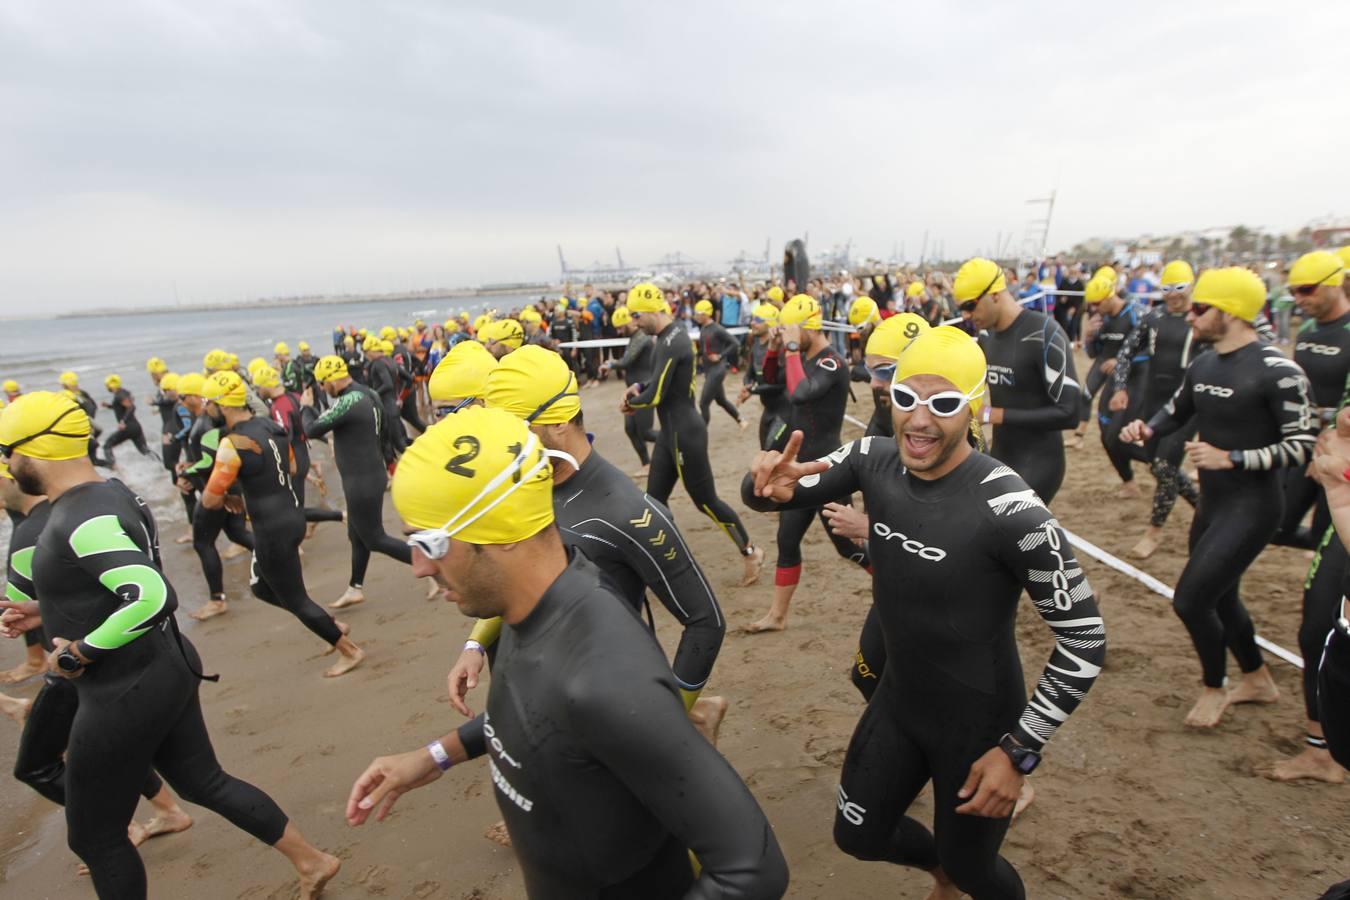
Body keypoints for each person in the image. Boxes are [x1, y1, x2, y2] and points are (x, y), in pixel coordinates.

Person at [345, 405, 788, 899]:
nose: (419, 568)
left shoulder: (606, 679)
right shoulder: (530, 605)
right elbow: (534, 714)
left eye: (429, 542)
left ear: (502, 530)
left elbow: (752, 870)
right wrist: (433, 757)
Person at [743, 327, 1103, 900]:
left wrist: (1019, 751)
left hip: (980, 722)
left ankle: (956, 876)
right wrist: (763, 484)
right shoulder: (871, 457)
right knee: (857, 836)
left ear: (975, 407)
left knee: (974, 870)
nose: (919, 421)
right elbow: (783, 490)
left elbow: (1085, 639)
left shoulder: (1012, 509)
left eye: (943, 404)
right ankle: (943, 875)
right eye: (906, 398)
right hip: (900, 702)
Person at [0, 391, 339, 900]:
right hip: (163, 665)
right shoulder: (111, 492)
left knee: (96, 836)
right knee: (204, 782)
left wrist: (77, 653)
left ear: (39, 450)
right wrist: (45, 608)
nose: (6, 463)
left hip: (121, 689)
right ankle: (312, 861)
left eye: (9, 451)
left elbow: (151, 595)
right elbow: (110, 587)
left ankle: (312, 859)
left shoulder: (77, 518)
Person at [465, 345, 729, 740]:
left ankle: (693, 718)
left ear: (557, 424)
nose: (505, 446)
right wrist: (474, 645)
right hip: (551, 686)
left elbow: (706, 622)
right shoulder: (525, 485)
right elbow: (517, 581)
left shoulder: (627, 510)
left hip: (609, 695)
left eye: (514, 429)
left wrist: (669, 720)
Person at [1121, 267, 1317, 727]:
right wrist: (1147, 427)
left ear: (1229, 312)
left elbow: (1302, 445)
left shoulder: (1279, 372)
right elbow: (1178, 408)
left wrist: (1233, 458)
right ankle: (1258, 678)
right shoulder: (1204, 362)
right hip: (1214, 505)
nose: (1189, 315)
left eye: (1199, 307)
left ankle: (1215, 686)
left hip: (1254, 506)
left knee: (1190, 599)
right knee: (1223, 597)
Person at [1, 460, 197, 858]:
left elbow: (14, 604)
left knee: (40, 765)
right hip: (124, 655)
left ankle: (116, 826)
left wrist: (75, 653)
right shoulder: (94, 501)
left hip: (84, 662)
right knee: (124, 749)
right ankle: (163, 811)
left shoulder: (29, 536)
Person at [198, 372, 364, 677]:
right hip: (292, 516)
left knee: (296, 599)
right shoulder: (272, 427)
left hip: (270, 530)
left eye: (208, 402)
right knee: (261, 587)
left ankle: (348, 649)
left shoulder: (232, 444)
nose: (205, 409)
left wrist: (229, 497)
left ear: (223, 405)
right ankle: (331, 625)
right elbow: (289, 466)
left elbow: (209, 500)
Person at [622, 283, 764, 585]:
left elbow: (657, 393)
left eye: (636, 315)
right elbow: (656, 382)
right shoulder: (662, 338)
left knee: (706, 501)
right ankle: (662, 563)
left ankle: (751, 551)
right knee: (654, 502)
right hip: (669, 434)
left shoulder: (675, 340)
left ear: (651, 309)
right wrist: (636, 390)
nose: (633, 322)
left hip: (686, 434)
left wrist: (632, 402)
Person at [745, 295, 869, 634]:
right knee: (787, 540)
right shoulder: (801, 356)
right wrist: (775, 347)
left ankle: (896, 588)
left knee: (847, 546)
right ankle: (778, 616)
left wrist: (790, 349)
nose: (787, 334)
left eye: (791, 328)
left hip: (828, 469)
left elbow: (800, 392)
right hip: (798, 467)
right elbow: (768, 377)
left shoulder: (832, 363)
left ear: (808, 327)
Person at [961, 258, 1081, 503]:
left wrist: (997, 415)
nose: (966, 315)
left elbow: (1070, 413)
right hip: (1002, 455)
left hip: (1041, 462)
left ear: (994, 294)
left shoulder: (1045, 333)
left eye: (969, 305)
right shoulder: (986, 336)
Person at [1110, 260, 1204, 559]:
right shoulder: (1154, 318)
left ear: (1191, 285)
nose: (1173, 295)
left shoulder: (1202, 319)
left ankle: (1154, 532)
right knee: (1160, 465)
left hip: (1189, 405)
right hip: (1155, 403)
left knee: (1164, 464)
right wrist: (1120, 387)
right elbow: (1125, 353)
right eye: (1166, 289)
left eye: (1179, 288)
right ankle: (1204, 508)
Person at [308, 355, 413, 608]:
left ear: (330, 380)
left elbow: (310, 429)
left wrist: (305, 407)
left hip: (362, 481)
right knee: (357, 535)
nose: (323, 389)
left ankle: (431, 564)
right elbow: (385, 429)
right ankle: (355, 588)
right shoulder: (368, 393)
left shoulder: (348, 400)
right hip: (370, 474)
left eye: (323, 384)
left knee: (375, 538)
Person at [1271, 250, 1350, 549]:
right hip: (1307, 442)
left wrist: (1330, 439)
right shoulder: (1305, 330)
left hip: (1341, 449)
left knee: (1330, 537)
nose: (1299, 299)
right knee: (1278, 527)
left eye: (1306, 289)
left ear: (1335, 284)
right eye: (1293, 292)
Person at [175, 373, 254, 621]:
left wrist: (187, 471)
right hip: (226, 486)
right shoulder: (207, 421)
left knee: (202, 543)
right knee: (236, 533)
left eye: (181, 397)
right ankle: (284, 555)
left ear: (194, 397)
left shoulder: (208, 424)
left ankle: (217, 600)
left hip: (217, 489)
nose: (179, 401)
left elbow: (210, 460)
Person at [1081, 273, 1149, 497]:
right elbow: (1094, 354)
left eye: (1098, 303)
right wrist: (1090, 336)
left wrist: (1121, 360)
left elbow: (1152, 350)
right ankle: (1129, 483)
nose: (1095, 308)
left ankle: (1161, 462)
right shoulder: (1105, 319)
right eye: (1091, 304)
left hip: (1138, 379)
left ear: (1111, 297)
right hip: (1116, 379)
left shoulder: (1135, 314)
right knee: (1105, 434)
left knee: (1116, 436)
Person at [603, 305, 659, 475]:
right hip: (633, 390)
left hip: (643, 388)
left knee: (646, 432)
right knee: (630, 429)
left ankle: (677, 443)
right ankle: (646, 464)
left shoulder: (641, 337)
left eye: (620, 327)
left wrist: (610, 364)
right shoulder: (634, 338)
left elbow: (627, 361)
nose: (619, 332)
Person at [739, 302, 790, 451]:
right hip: (768, 411)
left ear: (770, 323)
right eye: (753, 318)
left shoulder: (780, 347)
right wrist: (747, 385)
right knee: (764, 454)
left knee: (771, 455)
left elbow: (781, 384)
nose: (753, 322)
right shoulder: (755, 344)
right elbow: (749, 374)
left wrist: (753, 390)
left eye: (758, 320)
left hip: (784, 412)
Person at [693, 299, 747, 430]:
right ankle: (741, 420)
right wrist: (698, 355)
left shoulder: (717, 329)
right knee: (721, 400)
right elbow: (705, 348)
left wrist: (720, 355)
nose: (696, 316)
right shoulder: (704, 328)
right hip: (709, 369)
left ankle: (700, 433)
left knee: (703, 403)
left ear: (706, 314)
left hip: (717, 370)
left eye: (698, 313)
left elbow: (735, 343)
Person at [100, 374, 153, 464]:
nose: (106, 387)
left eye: (107, 385)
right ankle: (161, 465)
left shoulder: (119, 395)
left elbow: (131, 407)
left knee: (107, 446)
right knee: (145, 451)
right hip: (135, 427)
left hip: (127, 427)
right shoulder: (123, 392)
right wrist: (109, 406)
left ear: (111, 385)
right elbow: (121, 406)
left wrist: (123, 421)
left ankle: (113, 467)